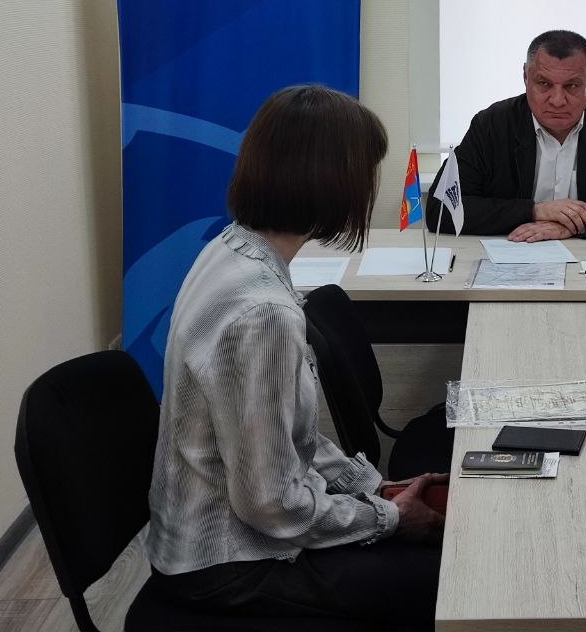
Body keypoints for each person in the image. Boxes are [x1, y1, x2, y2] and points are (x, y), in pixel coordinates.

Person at [146, 84, 446, 628]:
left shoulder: (229, 249)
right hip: (228, 563)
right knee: (447, 582)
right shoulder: (263, 312)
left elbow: (285, 439)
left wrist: (374, 489)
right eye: (365, 172)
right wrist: (387, 518)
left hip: (218, 536)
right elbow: (270, 505)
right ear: (330, 179)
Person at [426, 29, 586, 241]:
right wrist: (535, 211)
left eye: (572, 86)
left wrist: (573, 224)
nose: (557, 100)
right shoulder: (492, 124)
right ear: (526, 77)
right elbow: (441, 209)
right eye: (544, 84)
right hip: (514, 253)